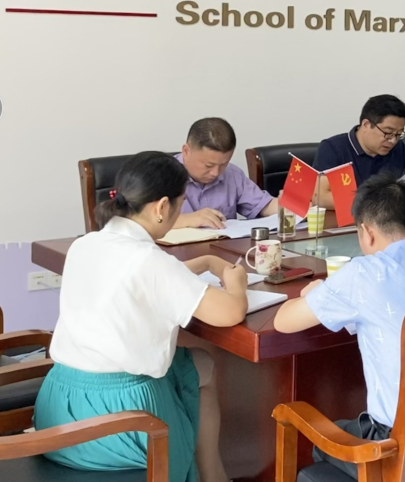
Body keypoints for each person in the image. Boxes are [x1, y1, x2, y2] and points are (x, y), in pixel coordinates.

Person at [36, 151, 250, 482]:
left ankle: (212, 473)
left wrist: (206, 262)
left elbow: (138, 279)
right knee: (200, 368)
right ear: (162, 207)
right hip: (124, 419)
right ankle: (212, 473)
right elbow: (230, 312)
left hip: (60, 406)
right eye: (181, 204)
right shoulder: (151, 262)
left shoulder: (86, 244)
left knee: (201, 364)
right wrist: (237, 284)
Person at [273, 175, 405, 480]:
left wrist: (314, 293)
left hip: (392, 446)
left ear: (366, 232)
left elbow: (283, 322)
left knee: (322, 442)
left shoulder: (363, 274)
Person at [173, 117, 278, 229]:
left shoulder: (232, 174)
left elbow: (264, 205)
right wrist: (186, 220)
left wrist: (287, 204)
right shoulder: (163, 174)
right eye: (209, 165)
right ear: (186, 151)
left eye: (224, 164)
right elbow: (157, 223)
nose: (216, 173)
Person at [314, 94, 405, 209]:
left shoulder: (399, 148)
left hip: (390, 218)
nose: (393, 140)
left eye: (398, 134)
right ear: (366, 124)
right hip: (348, 219)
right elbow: (320, 197)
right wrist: (377, 204)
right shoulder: (333, 148)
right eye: (388, 132)